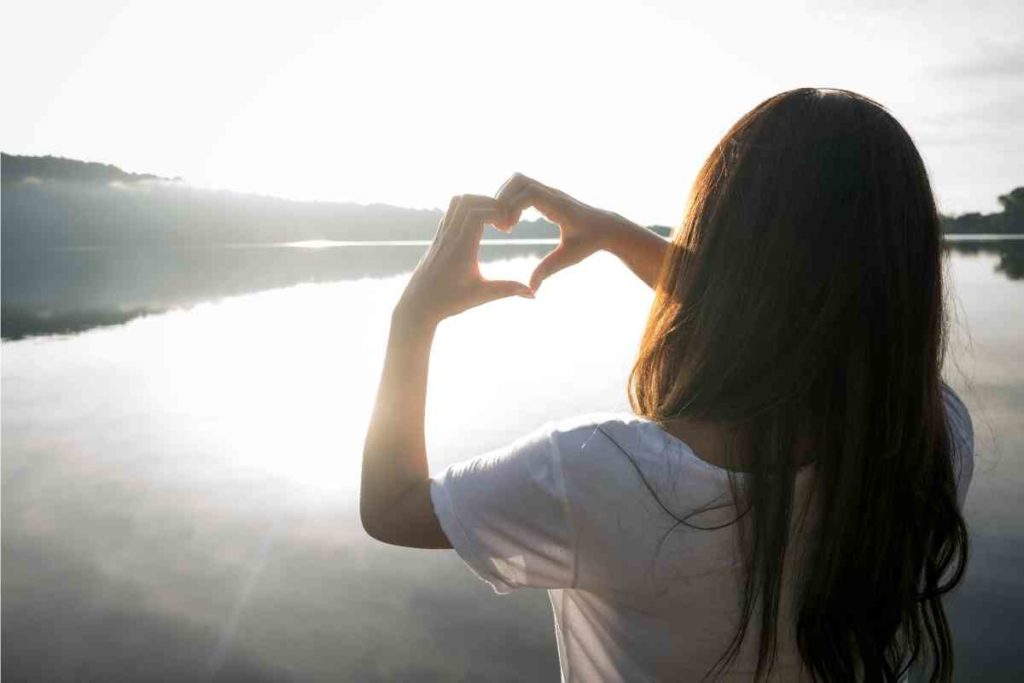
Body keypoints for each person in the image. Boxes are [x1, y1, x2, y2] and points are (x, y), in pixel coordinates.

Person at [360, 88, 974, 682]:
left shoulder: (599, 474)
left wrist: (412, 319)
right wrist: (617, 234)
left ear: (717, 227)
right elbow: (810, 328)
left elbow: (391, 509)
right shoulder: (934, 435)